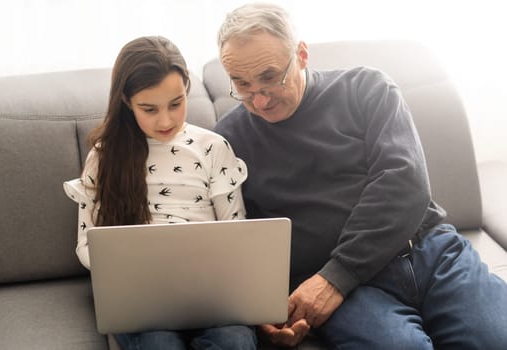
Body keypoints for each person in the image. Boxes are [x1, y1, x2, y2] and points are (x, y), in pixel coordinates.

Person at [214, 3, 507, 349]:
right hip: (353, 292)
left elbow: (403, 181)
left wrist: (336, 277)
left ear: (302, 54)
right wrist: (258, 307)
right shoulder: (227, 141)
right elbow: (234, 240)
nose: (259, 100)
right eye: (241, 85)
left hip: (428, 252)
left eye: (269, 77)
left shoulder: (367, 88)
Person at [63, 36, 256, 350]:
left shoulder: (212, 148)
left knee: (233, 340)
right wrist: (124, 268)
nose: (165, 120)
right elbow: (87, 241)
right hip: (138, 294)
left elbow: (237, 232)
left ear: (187, 91)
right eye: (149, 109)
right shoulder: (105, 156)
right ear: (126, 101)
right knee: (158, 344)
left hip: (207, 291)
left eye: (176, 104)